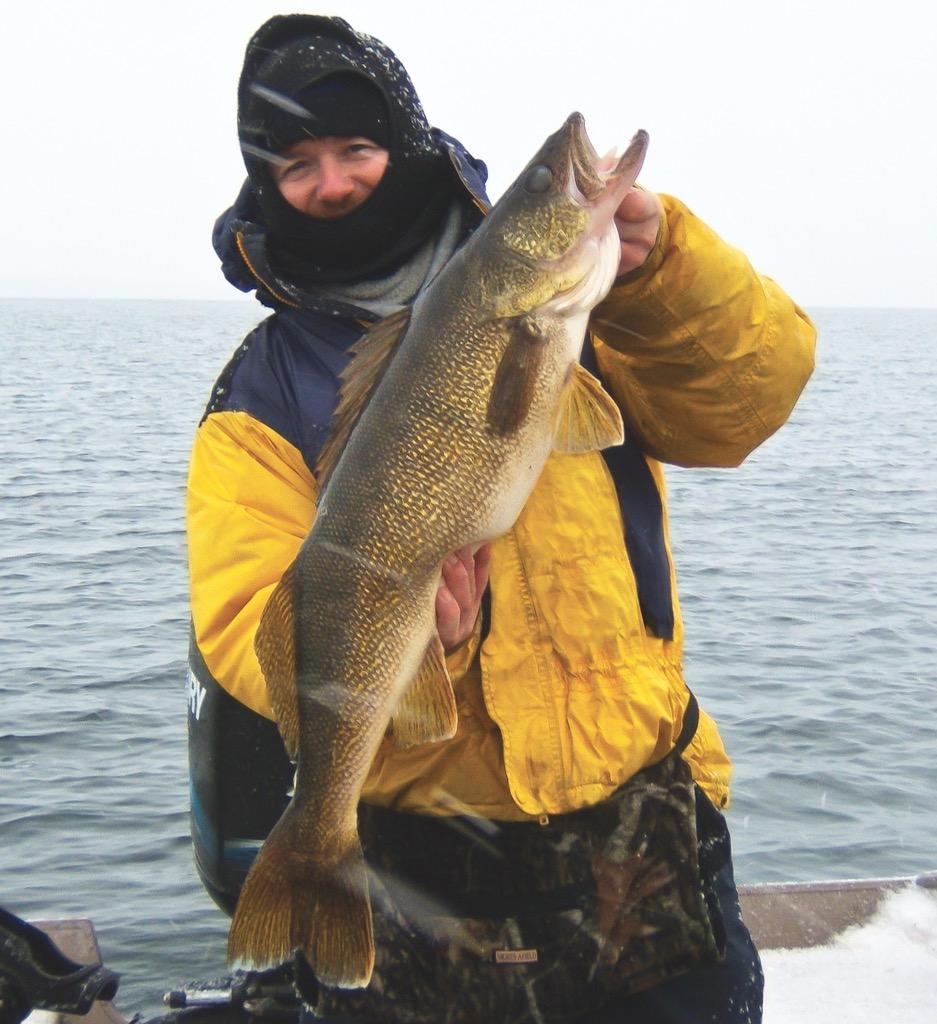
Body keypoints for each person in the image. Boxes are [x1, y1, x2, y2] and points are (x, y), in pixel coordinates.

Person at [186, 13, 816, 1024]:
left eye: (356, 146)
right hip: (415, 847)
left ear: (410, 143)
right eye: (298, 164)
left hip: (638, 820)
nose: (335, 180)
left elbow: (745, 406)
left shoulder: (585, 307)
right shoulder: (260, 394)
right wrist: (410, 635)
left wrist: (664, 271)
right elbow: (241, 614)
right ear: (267, 188)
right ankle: (315, 851)